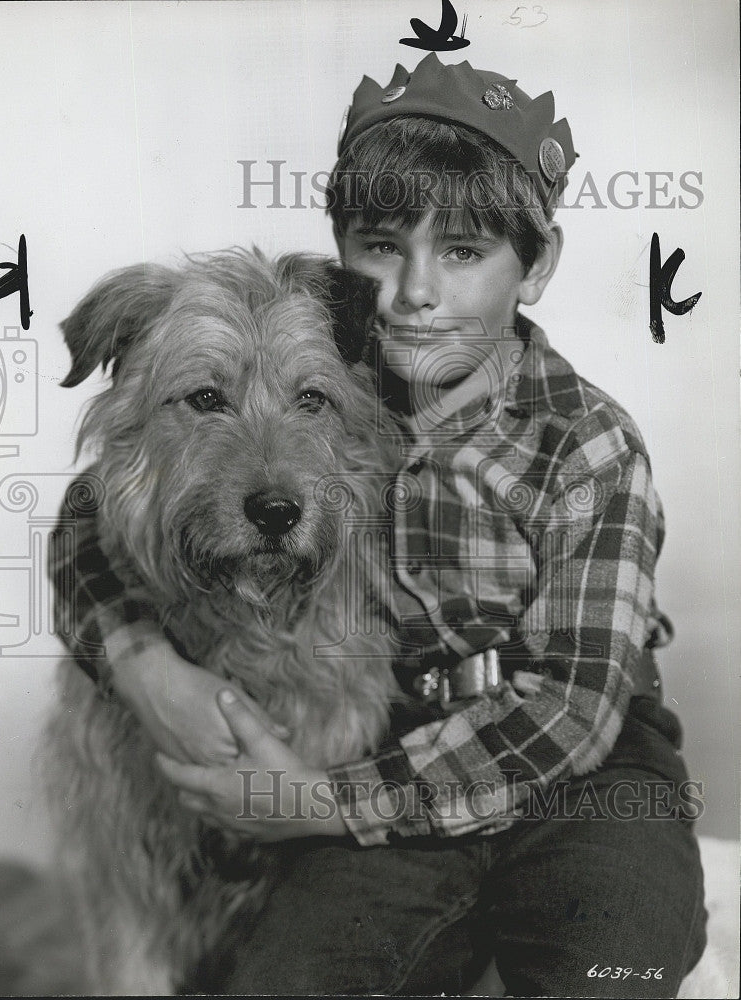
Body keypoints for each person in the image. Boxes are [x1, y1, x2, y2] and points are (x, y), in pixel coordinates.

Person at [48, 53, 707, 996]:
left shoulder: (586, 444)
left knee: (610, 965)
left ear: (538, 265)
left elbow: (567, 707)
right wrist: (136, 659)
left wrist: (319, 803)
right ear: (339, 257)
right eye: (382, 245)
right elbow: (89, 514)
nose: (414, 293)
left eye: (465, 251)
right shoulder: (344, 384)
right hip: (399, 744)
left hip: (586, 763)